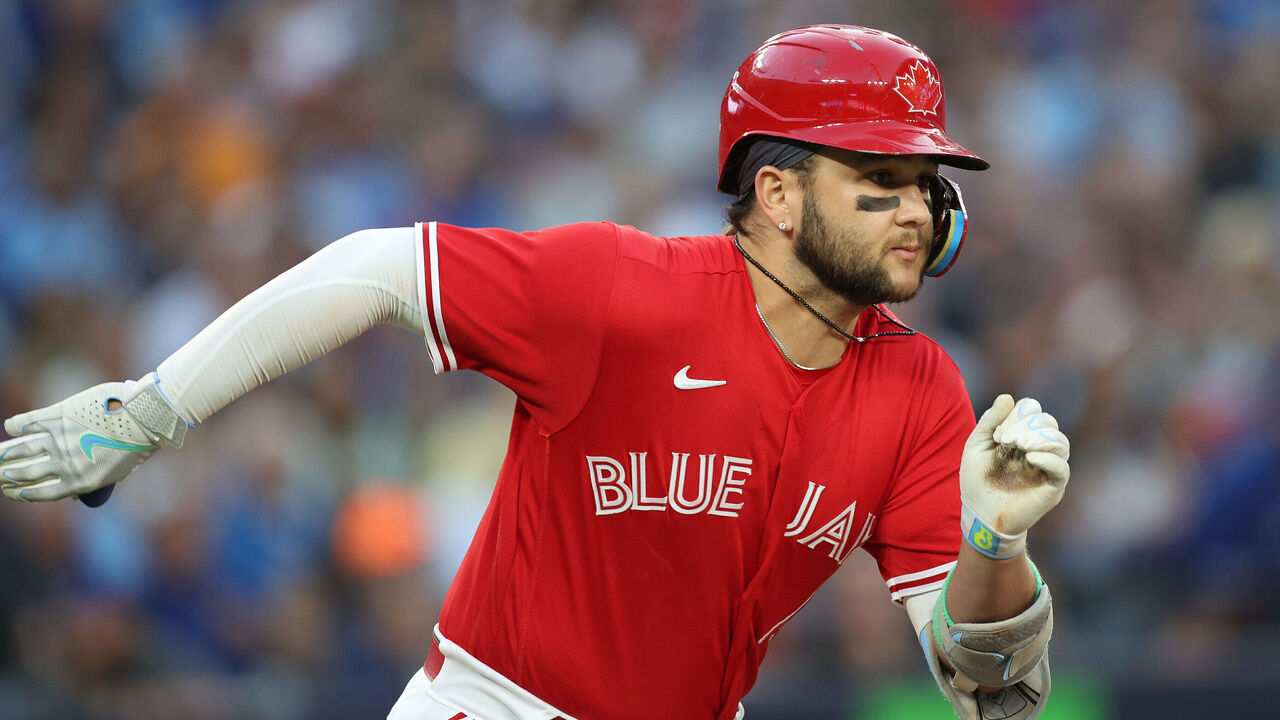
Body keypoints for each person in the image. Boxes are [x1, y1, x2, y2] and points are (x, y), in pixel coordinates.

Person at [0, 24, 1070, 720]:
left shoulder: (920, 385)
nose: (916, 210)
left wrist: (994, 540)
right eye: (877, 178)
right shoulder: (623, 289)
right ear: (778, 195)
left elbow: (989, 694)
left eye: (926, 184)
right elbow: (377, 266)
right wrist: (150, 411)